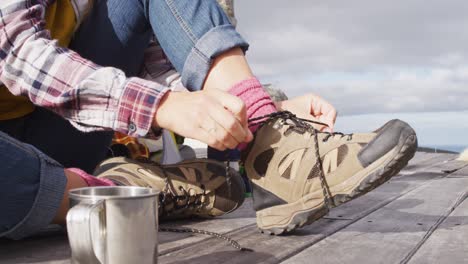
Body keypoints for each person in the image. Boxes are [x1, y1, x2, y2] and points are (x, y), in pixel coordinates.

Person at [0, 0, 417, 239]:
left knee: (257, 117)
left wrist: (260, 107)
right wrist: (160, 105)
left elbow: (167, 75)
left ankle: (273, 150)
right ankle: (120, 193)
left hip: (54, 135)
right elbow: (16, 49)